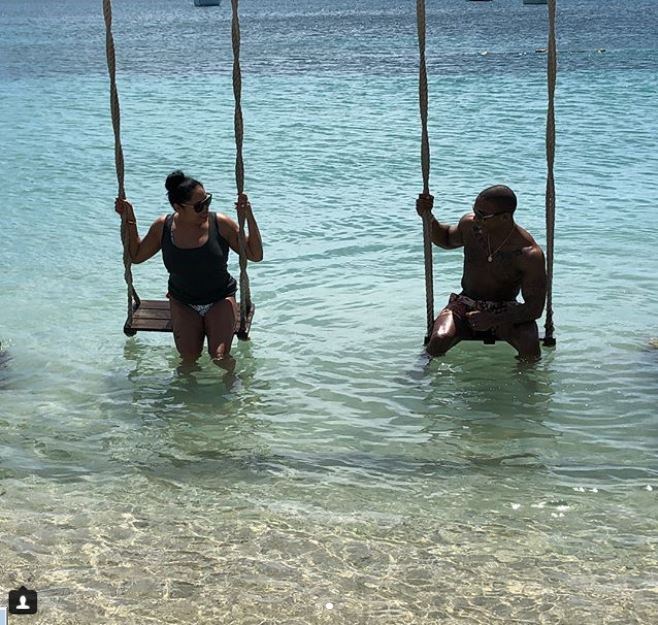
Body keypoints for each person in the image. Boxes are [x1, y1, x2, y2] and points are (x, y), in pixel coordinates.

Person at [115, 170, 263, 365]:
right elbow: (136, 256)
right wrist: (129, 217)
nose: (205, 209)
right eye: (199, 206)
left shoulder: (220, 223)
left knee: (219, 357)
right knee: (188, 359)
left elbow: (255, 255)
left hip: (219, 298)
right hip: (182, 301)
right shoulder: (164, 226)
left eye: (207, 201)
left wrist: (248, 216)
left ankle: (236, 393)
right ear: (178, 207)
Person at [416, 185, 547, 361]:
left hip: (504, 309)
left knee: (530, 347)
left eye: (482, 215)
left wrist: (493, 318)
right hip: (466, 303)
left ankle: (524, 385)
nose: (475, 218)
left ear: (505, 218)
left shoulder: (528, 253)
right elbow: (446, 238)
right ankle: (419, 381)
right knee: (439, 339)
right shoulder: (470, 226)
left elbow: (534, 308)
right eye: (475, 211)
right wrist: (428, 216)